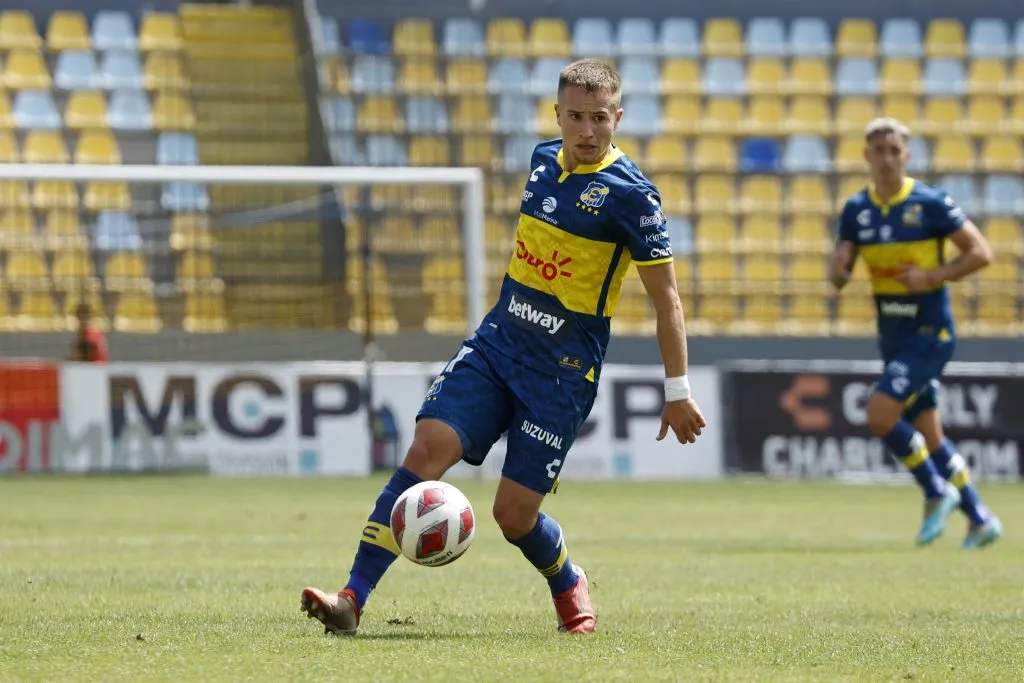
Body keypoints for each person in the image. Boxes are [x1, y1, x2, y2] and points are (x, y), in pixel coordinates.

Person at [300, 59, 707, 636]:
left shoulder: (633, 197)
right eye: (576, 117)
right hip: (497, 345)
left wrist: (677, 390)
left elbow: (668, 300)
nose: (587, 131)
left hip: (561, 375)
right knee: (426, 449)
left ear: (618, 117)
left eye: (599, 118)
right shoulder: (542, 161)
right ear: (558, 114)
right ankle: (351, 600)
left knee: (513, 516)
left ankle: (568, 581)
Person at [829, 117, 1002, 550]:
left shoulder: (930, 203)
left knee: (880, 414)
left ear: (906, 156)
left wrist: (932, 276)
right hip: (893, 335)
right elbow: (840, 272)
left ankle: (934, 490)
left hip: (930, 334)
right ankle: (981, 519)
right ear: (867, 156)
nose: (887, 158)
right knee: (932, 435)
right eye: (879, 150)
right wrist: (837, 269)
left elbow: (981, 252)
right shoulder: (856, 210)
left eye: (895, 150)